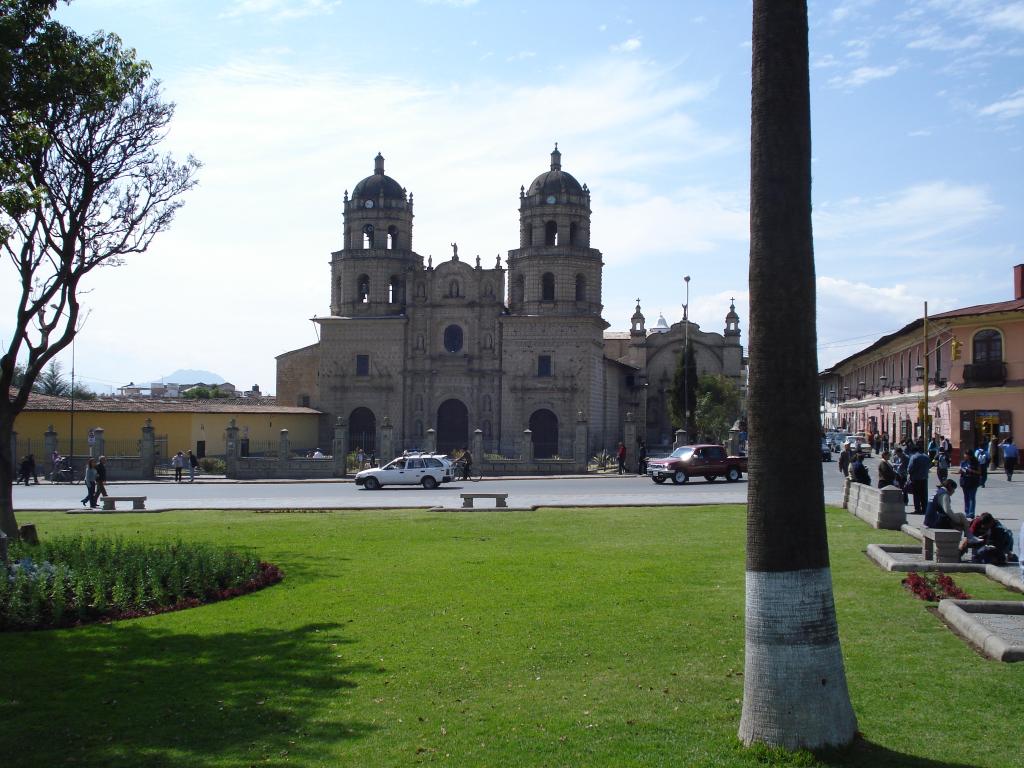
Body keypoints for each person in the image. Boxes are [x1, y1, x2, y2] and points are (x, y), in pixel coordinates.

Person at [907, 444, 932, 516]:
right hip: (924, 478)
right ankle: (924, 508)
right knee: (924, 494)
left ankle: (917, 509)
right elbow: (929, 466)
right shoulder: (926, 457)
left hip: (916, 478)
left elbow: (909, 469)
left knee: (916, 494)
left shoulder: (914, 457)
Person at [957, 451, 981, 520]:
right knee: (966, 497)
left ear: (970, 455)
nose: (964, 455)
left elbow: (979, 472)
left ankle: (971, 513)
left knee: (972, 497)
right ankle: (967, 512)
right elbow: (960, 470)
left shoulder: (976, 463)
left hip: (973, 481)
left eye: (966, 454)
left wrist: (971, 470)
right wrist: (961, 471)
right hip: (964, 481)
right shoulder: (963, 462)